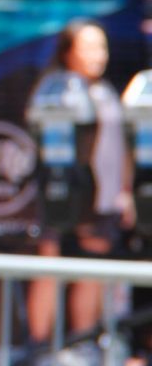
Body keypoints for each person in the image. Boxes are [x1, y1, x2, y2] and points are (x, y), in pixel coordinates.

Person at [25, 18, 132, 345]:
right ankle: (36, 350)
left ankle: (81, 346)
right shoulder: (56, 88)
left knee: (92, 270)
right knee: (50, 265)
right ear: (68, 51)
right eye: (88, 47)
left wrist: (125, 192)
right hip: (64, 196)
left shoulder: (106, 91)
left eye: (102, 47)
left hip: (103, 200)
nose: (98, 55)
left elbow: (119, 148)